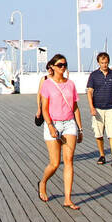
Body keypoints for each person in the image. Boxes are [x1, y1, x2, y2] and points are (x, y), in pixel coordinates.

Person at [38, 53, 81, 210]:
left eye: (65, 65)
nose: (63, 67)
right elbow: (44, 108)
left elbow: (75, 107)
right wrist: (50, 125)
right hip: (53, 123)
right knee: (55, 163)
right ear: (53, 67)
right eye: (60, 65)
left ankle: (67, 199)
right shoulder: (47, 84)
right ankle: (43, 182)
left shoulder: (71, 84)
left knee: (69, 160)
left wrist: (80, 128)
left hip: (69, 123)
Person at [86, 51, 112, 165]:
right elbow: (89, 92)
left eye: (106, 63)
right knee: (99, 133)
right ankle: (102, 155)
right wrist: (91, 107)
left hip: (111, 107)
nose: (104, 65)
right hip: (98, 108)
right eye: (102, 63)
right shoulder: (93, 75)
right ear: (98, 63)